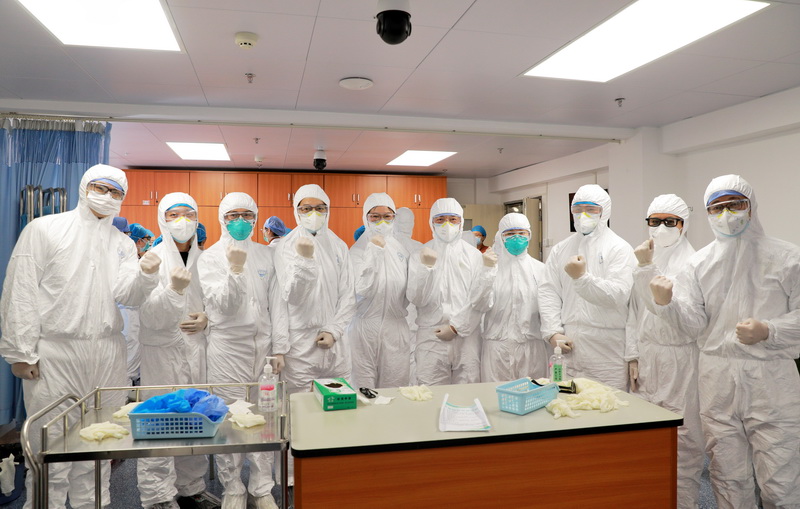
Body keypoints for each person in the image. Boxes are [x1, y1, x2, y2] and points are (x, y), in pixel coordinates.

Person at [0, 164, 160, 509]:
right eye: (101, 188)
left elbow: (128, 296)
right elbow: (21, 290)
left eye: (116, 192)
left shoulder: (121, 243)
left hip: (107, 353)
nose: (107, 196)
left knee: (99, 444)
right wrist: (20, 352)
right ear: (85, 187)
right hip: (57, 352)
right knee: (52, 445)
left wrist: (146, 276)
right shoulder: (45, 229)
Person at [648, 175, 800, 508]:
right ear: (707, 213)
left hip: (770, 377)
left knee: (781, 479)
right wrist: (667, 305)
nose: (726, 214)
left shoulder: (788, 257)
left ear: (751, 206)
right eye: (716, 208)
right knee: (727, 476)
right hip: (716, 377)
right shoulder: (699, 262)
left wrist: (770, 330)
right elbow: (693, 325)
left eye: (734, 204)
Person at [198, 193, 287, 509]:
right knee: (230, 418)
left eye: (247, 215)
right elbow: (223, 305)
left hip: (263, 348)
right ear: (222, 218)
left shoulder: (265, 255)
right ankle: (233, 486)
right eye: (233, 215)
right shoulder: (210, 257)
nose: (240, 221)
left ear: (256, 218)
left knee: (264, 418)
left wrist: (280, 348)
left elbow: (277, 303)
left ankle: (261, 487)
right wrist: (234, 271)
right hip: (227, 348)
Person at [273, 184, 355, 489]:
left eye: (320, 208)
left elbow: (349, 295)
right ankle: (293, 479)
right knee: (298, 412)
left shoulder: (339, 245)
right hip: (300, 343)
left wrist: (333, 330)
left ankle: (331, 471)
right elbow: (287, 298)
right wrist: (304, 261)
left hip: (334, 341)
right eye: (306, 208)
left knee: (337, 408)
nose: (313, 214)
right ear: (296, 211)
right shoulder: (285, 246)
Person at [625, 194, 704, 509]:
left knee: (683, 439)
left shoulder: (694, 263)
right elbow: (634, 312)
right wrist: (633, 355)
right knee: (646, 435)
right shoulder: (645, 257)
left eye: (670, 222)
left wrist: (647, 270)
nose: (661, 228)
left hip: (680, 359)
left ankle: (683, 503)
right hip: (649, 357)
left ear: (684, 224)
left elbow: (688, 325)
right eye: (654, 221)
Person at [136, 193, 210, 509]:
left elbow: (218, 302)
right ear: (162, 219)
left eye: (189, 214)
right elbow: (149, 316)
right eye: (174, 214)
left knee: (195, 418)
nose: (182, 221)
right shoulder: (152, 259)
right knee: (160, 422)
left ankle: (191, 487)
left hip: (196, 348)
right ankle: (157, 495)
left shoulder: (205, 259)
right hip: (161, 352)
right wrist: (174, 290)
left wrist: (208, 318)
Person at [539, 184, 635, 391]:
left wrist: (582, 278)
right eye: (578, 209)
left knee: (607, 404)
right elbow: (548, 292)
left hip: (606, 351)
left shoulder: (619, 248)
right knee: (567, 402)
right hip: (569, 345)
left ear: (604, 212)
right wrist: (552, 332)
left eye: (591, 209)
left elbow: (618, 295)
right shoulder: (561, 249)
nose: (583, 215)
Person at [406, 198, 497, 385]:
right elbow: (416, 298)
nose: (447, 224)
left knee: (467, 392)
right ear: (431, 222)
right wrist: (426, 270)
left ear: (461, 222)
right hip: (431, 336)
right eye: (440, 219)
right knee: (429, 392)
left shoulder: (473, 256)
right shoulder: (419, 255)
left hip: (467, 338)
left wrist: (457, 327)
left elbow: (481, 301)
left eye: (452, 219)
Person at [347, 193, 411, 389]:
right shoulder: (357, 251)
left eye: (387, 216)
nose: (381, 221)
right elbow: (362, 289)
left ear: (394, 217)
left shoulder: (400, 251)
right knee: (363, 387)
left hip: (395, 327)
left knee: (395, 386)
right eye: (375, 216)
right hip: (364, 327)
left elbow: (410, 291)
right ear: (365, 217)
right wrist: (374, 252)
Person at [481, 213, 548, 381]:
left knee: (534, 391)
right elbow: (480, 304)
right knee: (494, 393)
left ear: (529, 235)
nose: (516, 238)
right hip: (497, 347)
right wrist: (486, 273)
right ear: (501, 236)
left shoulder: (540, 270)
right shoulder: (492, 269)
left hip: (532, 347)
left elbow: (549, 308)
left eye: (521, 233)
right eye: (510, 234)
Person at [393, 207, 424, 384]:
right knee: (412, 359)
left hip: (389, 317)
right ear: (412, 224)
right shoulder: (420, 247)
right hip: (413, 314)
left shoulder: (387, 245)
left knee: (392, 363)